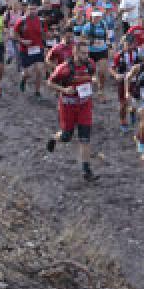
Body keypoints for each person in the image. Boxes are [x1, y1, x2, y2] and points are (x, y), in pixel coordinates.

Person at [44, 40, 100, 182]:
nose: (86, 56)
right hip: (68, 106)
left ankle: (86, 170)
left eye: (87, 53)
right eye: (83, 53)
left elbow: (94, 76)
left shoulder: (90, 64)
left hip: (84, 105)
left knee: (85, 138)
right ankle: (54, 137)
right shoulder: (64, 68)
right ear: (75, 52)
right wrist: (64, 90)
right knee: (66, 137)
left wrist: (94, 81)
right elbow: (50, 82)